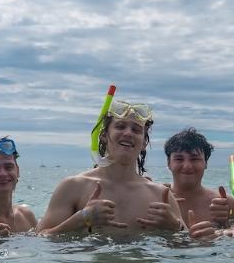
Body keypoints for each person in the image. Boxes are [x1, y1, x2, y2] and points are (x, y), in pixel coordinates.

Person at [38, 99, 184, 235]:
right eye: (120, 126)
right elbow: (40, 239)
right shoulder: (73, 187)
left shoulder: (160, 195)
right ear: (103, 136)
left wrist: (175, 227)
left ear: (144, 143)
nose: (128, 133)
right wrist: (82, 219)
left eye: (136, 130)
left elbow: (188, 246)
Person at [164, 128, 234, 227]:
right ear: (169, 163)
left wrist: (227, 221)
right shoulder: (157, 199)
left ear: (206, 163)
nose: (187, 166)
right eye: (179, 159)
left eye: (194, 159)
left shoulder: (226, 205)